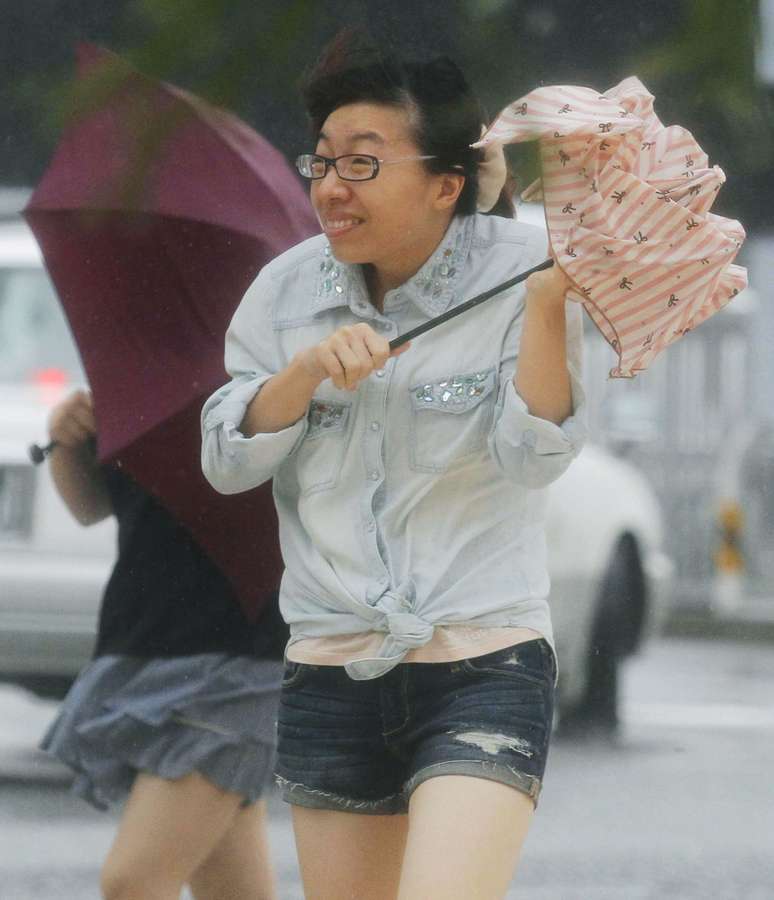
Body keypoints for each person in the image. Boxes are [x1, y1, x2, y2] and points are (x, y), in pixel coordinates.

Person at [201, 30, 586, 900]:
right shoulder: (285, 291)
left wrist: (550, 312)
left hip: (485, 660)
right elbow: (225, 461)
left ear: (447, 183)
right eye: (323, 161)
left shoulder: (535, 273)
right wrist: (299, 378)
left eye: (364, 164)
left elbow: (534, 460)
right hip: (333, 665)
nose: (332, 187)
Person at [41, 389, 286, 900]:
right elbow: (93, 507)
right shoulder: (139, 370)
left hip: (241, 652)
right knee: (231, 890)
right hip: (144, 639)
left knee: (133, 881)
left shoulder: (261, 350)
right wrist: (64, 441)